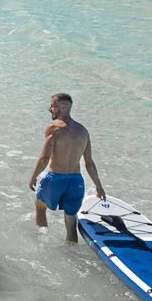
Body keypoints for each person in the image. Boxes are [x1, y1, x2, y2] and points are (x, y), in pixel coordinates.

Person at [29, 93, 105, 242]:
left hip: (55, 179)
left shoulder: (53, 129)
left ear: (62, 107)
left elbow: (45, 158)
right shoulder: (83, 131)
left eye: (53, 105)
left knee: (40, 206)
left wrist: (33, 176)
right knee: (71, 221)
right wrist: (98, 186)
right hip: (76, 182)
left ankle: (41, 241)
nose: (49, 109)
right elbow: (89, 162)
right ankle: (71, 249)